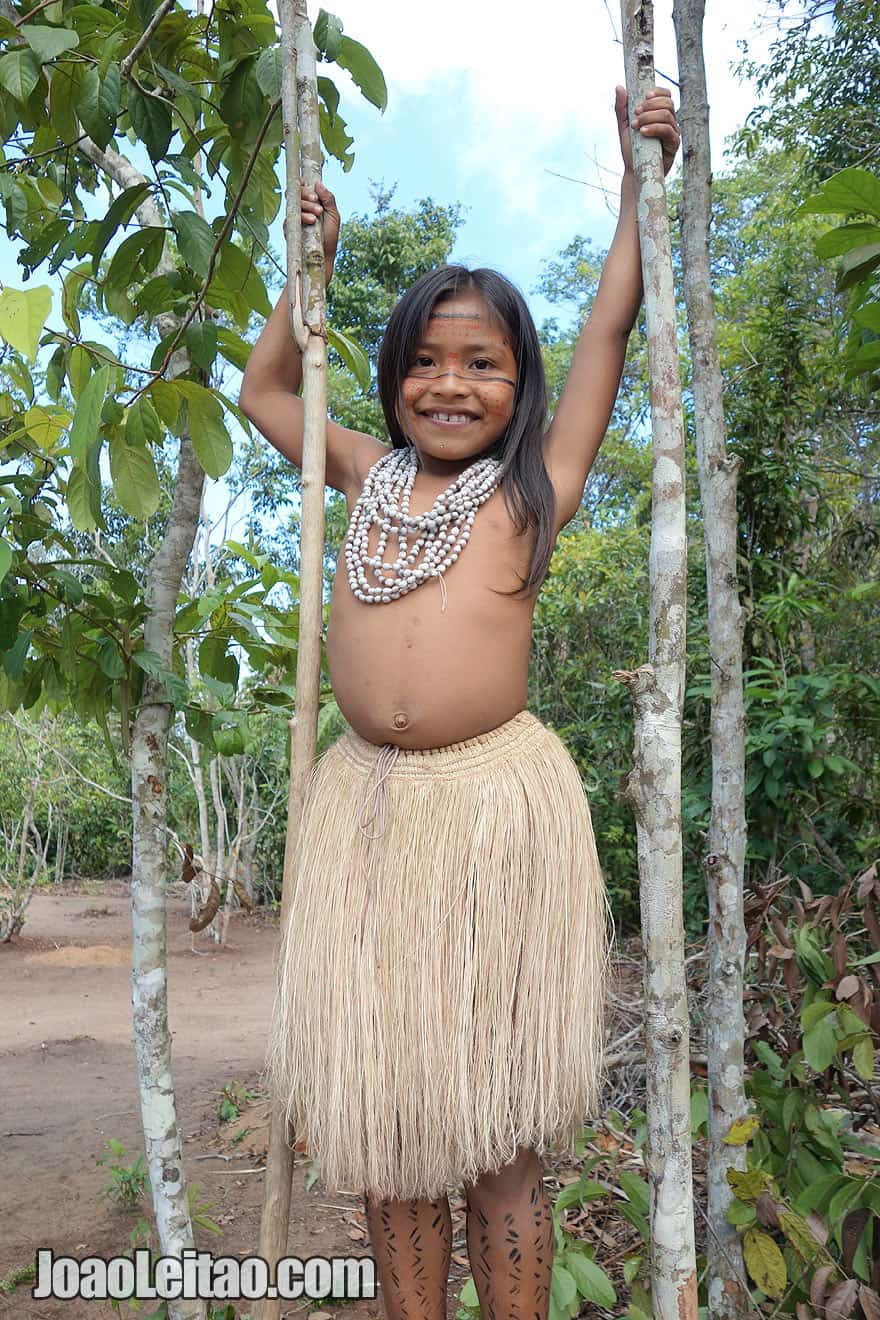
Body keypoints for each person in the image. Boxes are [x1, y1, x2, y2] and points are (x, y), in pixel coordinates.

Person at [240, 84, 679, 1320]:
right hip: (366, 816)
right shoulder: (364, 472)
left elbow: (603, 335)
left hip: (491, 819)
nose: (449, 384)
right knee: (386, 1130)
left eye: (481, 363)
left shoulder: (534, 488)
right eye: (424, 361)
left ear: (516, 384)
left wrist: (636, 181)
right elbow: (269, 392)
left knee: (499, 1140)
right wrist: (305, 272)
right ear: (386, 379)